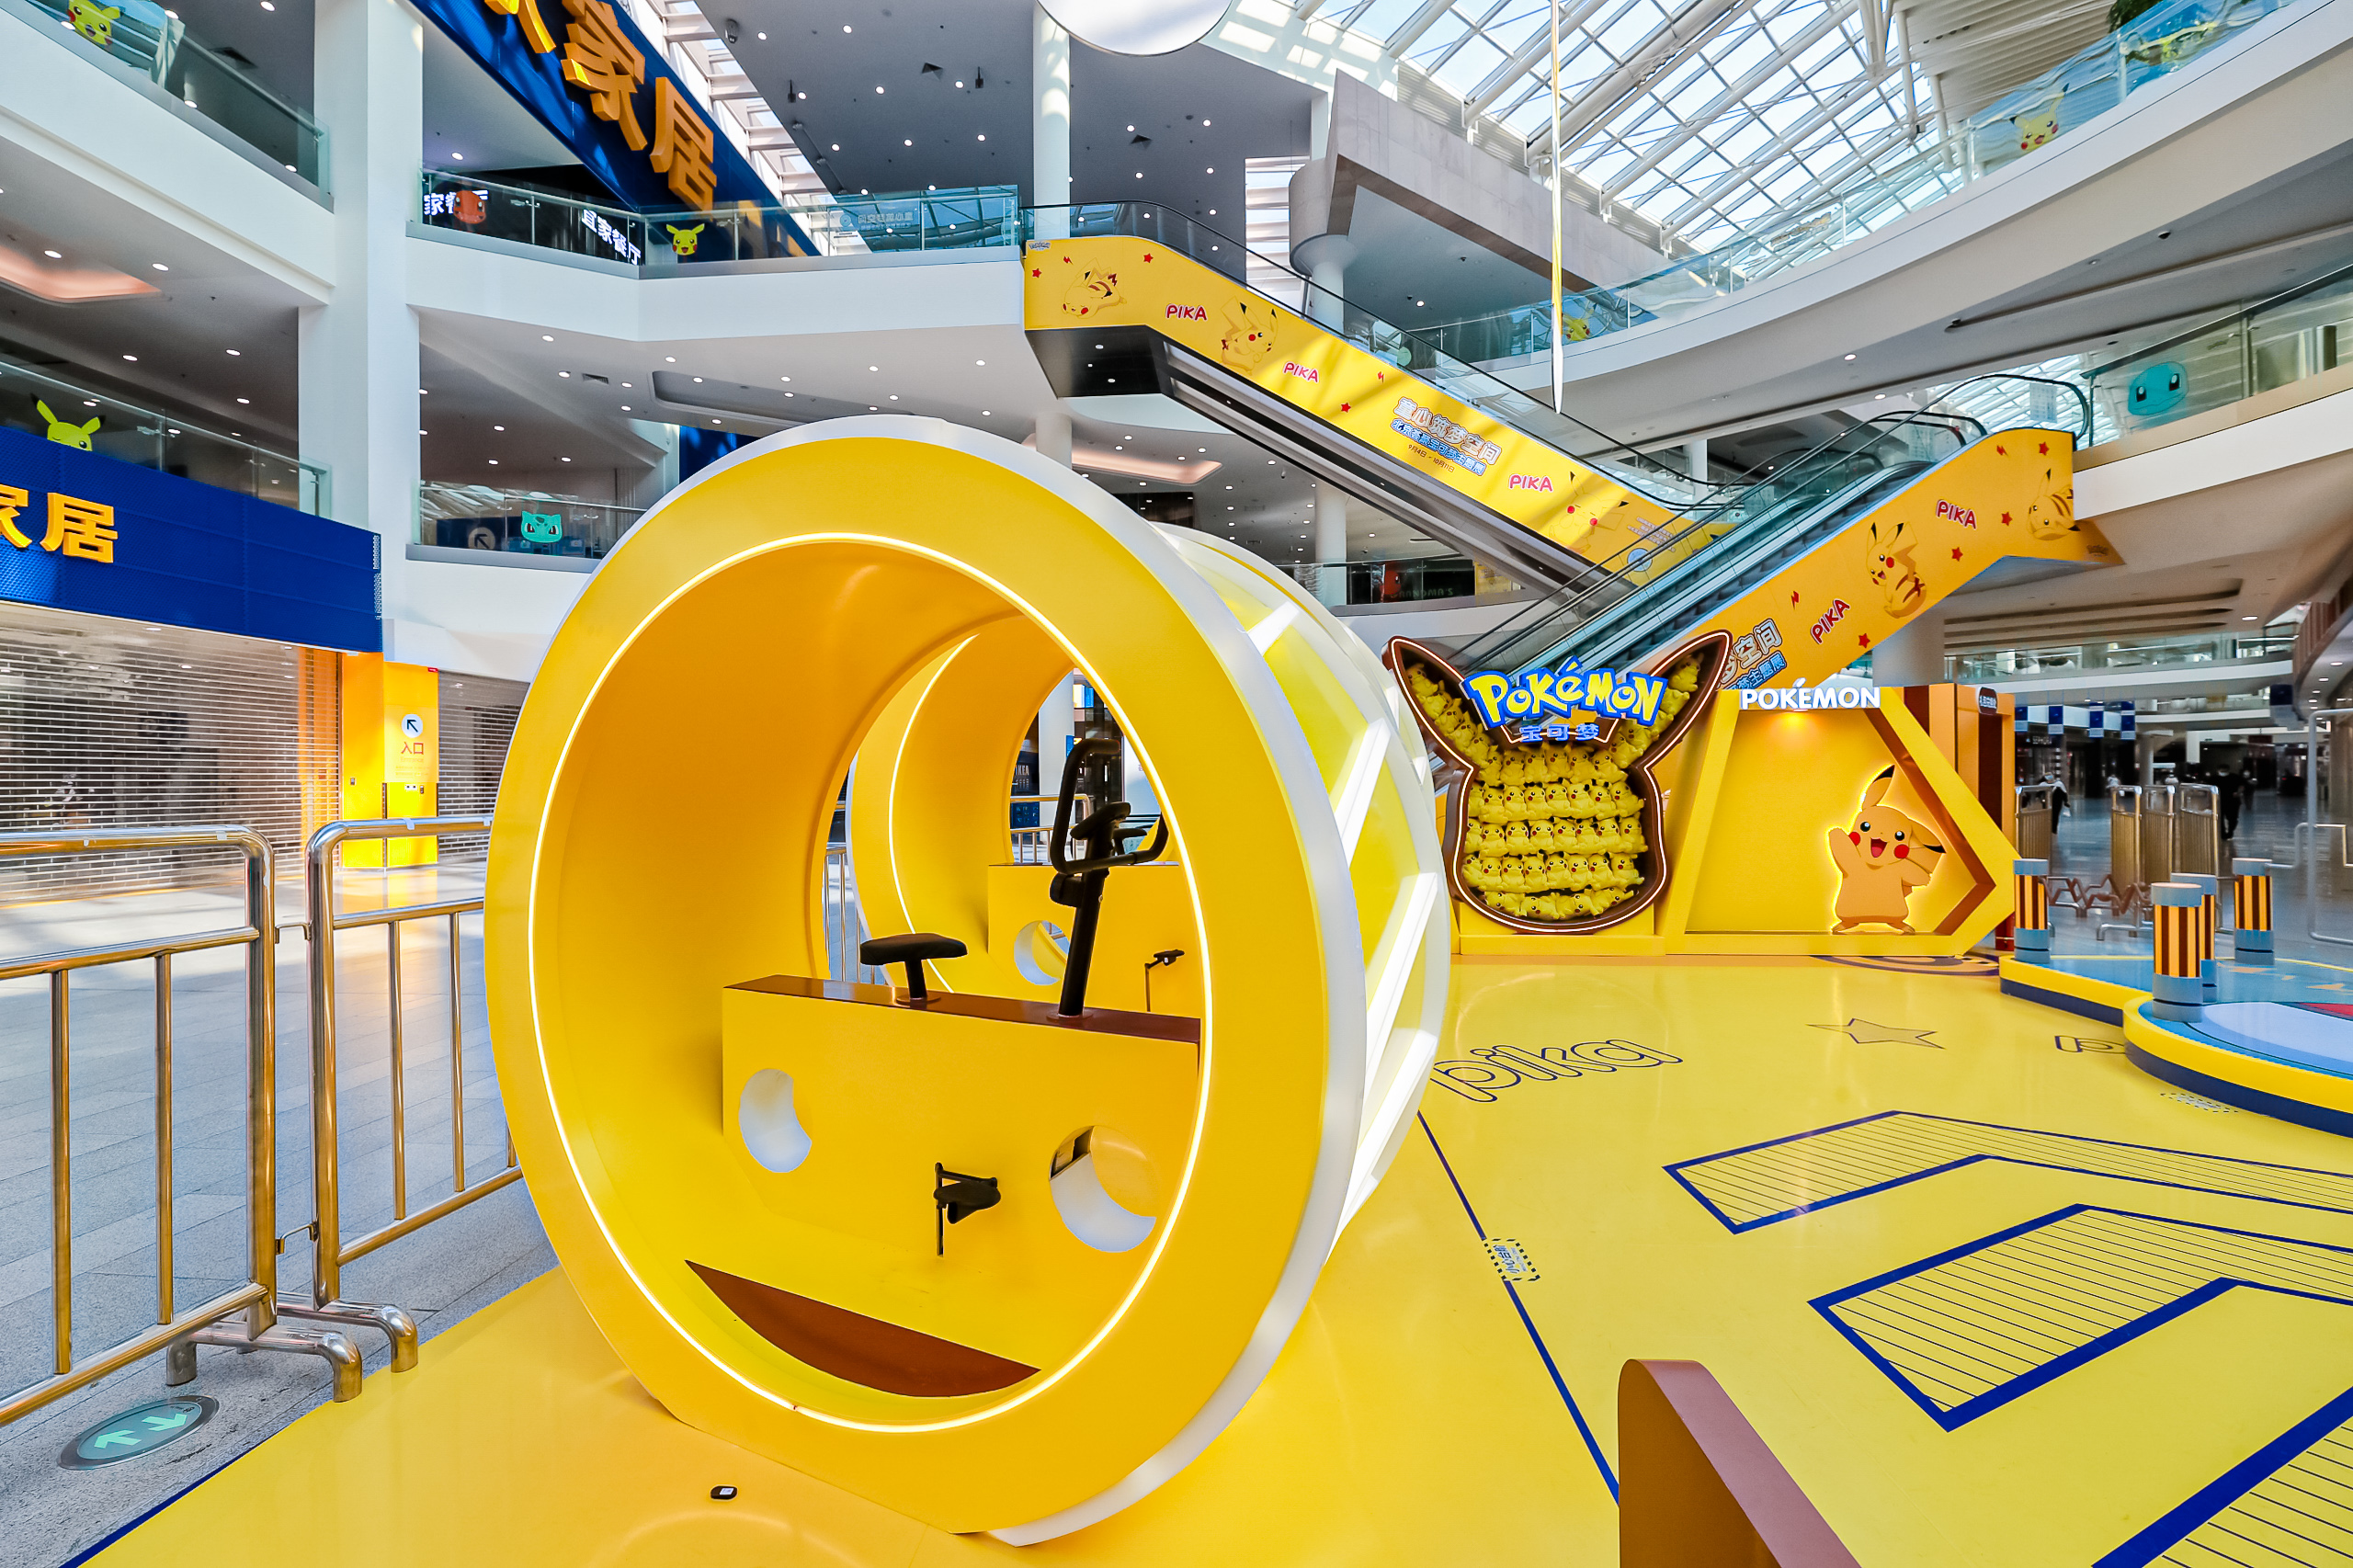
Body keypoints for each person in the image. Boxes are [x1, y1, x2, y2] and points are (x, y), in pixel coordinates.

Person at [2218, 769, 2243, 839]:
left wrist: (2238, 793)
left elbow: (2242, 786)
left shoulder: (2235, 777)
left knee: (2233, 819)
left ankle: (2230, 831)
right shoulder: (2215, 778)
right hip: (2220, 801)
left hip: (2233, 801)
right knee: (2220, 818)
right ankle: (2223, 834)